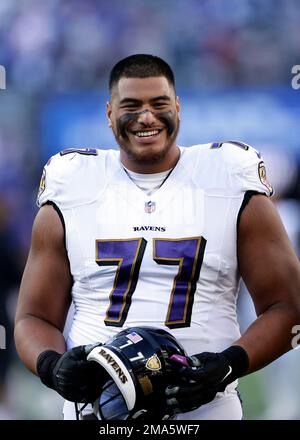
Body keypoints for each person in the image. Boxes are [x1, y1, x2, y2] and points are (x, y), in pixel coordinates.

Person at [14, 54, 300, 420]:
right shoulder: (72, 183)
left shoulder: (228, 176)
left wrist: (227, 365)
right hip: (98, 414)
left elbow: (288, 308)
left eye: (159, 104)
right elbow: (33, 318)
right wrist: (52, 366)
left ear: (178, 108)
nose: (146, 117)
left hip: (206, 412)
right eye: (131, 106)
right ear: (108, 113)